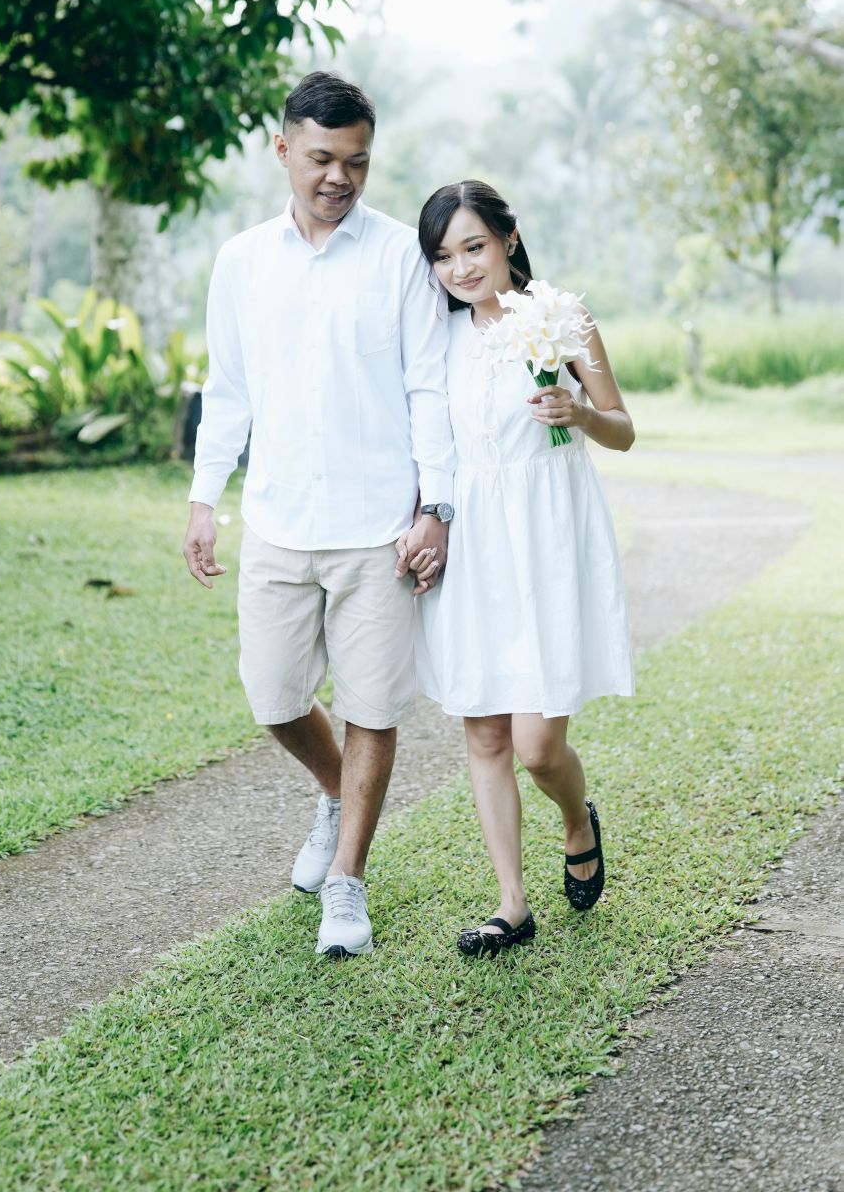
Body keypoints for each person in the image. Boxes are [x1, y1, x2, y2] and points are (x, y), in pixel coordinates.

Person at [182, 72, 455, 959]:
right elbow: (226, 390)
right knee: (272, 696)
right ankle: (338, 793)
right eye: (322, 158)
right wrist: (203, 498)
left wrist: (434, 508)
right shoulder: (241, 261)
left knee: (372, 706)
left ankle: (346, 879)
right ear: (283, 150)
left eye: (357, 162)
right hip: (277, 520)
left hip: (378, 527)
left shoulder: (400, 257)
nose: (339, 177)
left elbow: (427, 387)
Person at [411, 179, 634, 960]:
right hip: (474, 543)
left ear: (508, 238)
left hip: (545, 540)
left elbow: (623, 429)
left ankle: (576, 819)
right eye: (443, 256)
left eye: (473, 246)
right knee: (484, 733)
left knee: (537, 747)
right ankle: (511, 903)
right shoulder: (436, 337)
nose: (461, 268)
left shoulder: (562, 318)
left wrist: (580, 413)